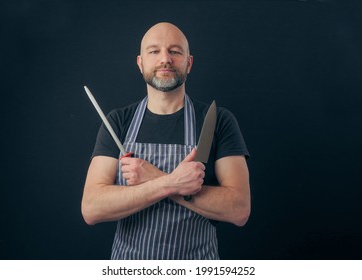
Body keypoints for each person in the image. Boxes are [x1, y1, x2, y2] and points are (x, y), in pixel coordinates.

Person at [81, 22, 251, 260]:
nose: (165, 59)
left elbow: (239, 209)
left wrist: (154, 177)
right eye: (154, 51)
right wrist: (170, 183)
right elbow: (91, 208)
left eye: (175, 51)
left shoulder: (217, 121)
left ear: (189, 63)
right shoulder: (118, 122)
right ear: (141, 63)